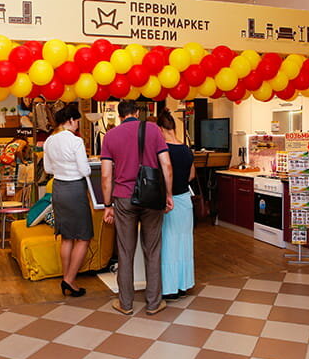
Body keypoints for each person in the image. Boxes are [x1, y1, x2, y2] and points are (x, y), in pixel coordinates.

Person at [101, 100, 173, 316]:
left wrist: (107, 205)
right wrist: (168, 194)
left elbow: (106, 176)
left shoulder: (110, 136)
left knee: (125, 251)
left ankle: (126, 303)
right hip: (151, 197)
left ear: (119, 115)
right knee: (153, 250)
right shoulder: (152, 130)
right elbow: (166, 165)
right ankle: (153, 303)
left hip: (123, 198)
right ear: (136, 112)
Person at [43, 105, 92, 297]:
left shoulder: (49, 140)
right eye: (77, 120)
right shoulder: (76, 141)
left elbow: (48, 169)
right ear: (71, 120)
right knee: (84, 237)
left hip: (59, 188)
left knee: (67, 237)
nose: (78, 124)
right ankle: (70, 280)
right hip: (75, 189)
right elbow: (85, 170)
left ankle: (67, 278)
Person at [156, 108, 196, 300]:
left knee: (169, 245)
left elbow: (166, 173)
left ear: (160, 129)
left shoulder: (164, 150)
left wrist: (168, 193)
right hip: (185, 200)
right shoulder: (186, 149)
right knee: (184, 244)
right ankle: (183, 286)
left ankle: (169, 288)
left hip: (169, 202)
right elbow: (192, 175)